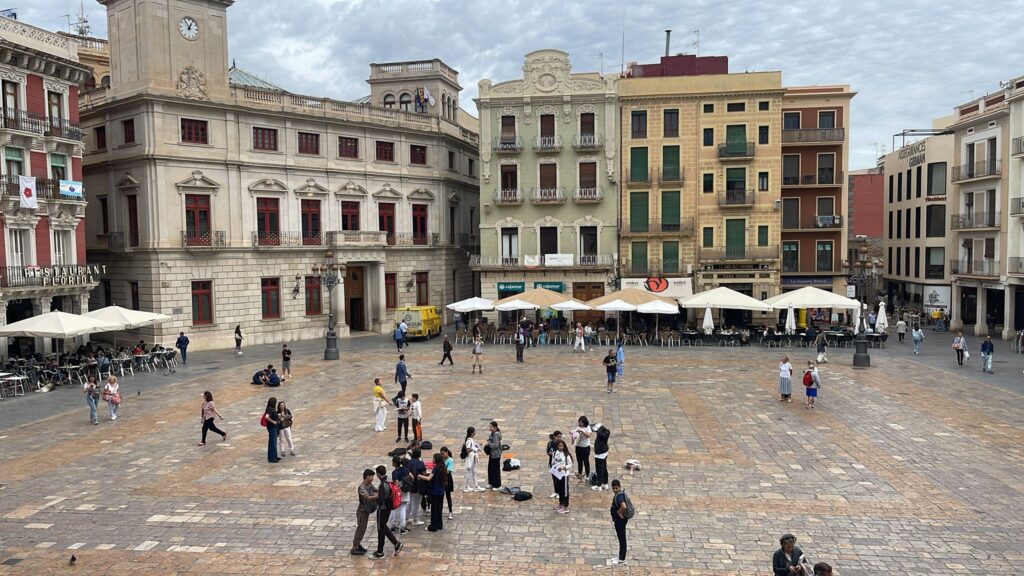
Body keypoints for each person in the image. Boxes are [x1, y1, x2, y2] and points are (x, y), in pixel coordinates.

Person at [372, 465, 403, 559]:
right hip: (388, 508)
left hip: (382, 509)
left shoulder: (382, 484)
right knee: (381, 528)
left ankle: (396, 543)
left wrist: (374, 497)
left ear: (378, 474)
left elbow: (380, 500)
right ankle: (380, 550)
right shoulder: (388, 482)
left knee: (382, 527)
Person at [418, 452, 448, 531]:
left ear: (436, 459)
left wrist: (420, 476)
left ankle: (433, 526)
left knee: (434, 509)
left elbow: (429, 478)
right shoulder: (443, 467)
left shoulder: (436, 468)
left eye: (433, 458)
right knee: (439, 508)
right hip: (441, 491)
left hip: (435, 491)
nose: (432, 459)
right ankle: (439, 524)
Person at [351, 468, 377, 555]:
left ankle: (358, 545)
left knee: (363, 528)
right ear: (367, 476)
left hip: (366, 510)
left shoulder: (370, 484)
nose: (373, 478)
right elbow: (368, 497)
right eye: (372, 476)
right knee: (360, 529)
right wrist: (378, 496)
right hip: (362, 511)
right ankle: (354, 547)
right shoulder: (362, 488)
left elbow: (375, 490)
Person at [388, 455, 411, 535]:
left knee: (394, 509)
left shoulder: (395, 472)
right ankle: (402, 527)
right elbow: (412, 477)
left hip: (397, 493)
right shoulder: (405, 469)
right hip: (405, 492)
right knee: (403, 509)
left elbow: (396, 484)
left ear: (394, 463)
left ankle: (393, 526)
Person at [610, 479, 630, 565]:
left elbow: (624, 506)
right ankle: (620, 556)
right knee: (620, 538)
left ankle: (622, 558)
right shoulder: (619, 494)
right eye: (613, 488)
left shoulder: (619, 496)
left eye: (616, 488)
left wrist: (618, 513)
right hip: (619, 520)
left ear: (619, 487)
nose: (615, 490)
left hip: (620, 521)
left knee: (622, 538)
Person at [405, 447, 427, 527]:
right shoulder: (421, 463)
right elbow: (424, 473)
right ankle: (414, 519)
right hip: (418, 486)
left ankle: (406, 518)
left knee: (409, 502)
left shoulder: (409, 463)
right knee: (416, 503)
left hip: (410, 486)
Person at [551, 438, 573, 514]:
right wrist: (554, 464)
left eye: (562, 446)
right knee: (560, 490)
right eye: (559, 446)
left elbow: (570, 464)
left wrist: (564, 467)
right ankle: (561, 503)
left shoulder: (566, 455)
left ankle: (566, 506)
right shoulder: (555, 453)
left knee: (565, 491)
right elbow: (553, 461)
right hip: (557, 474)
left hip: (564, 475)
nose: (560, 447)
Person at [462, 427, 484, 492]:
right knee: (468, 472)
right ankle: (466, 487)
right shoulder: (469, 440)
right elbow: (468, 450)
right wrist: (475, 448)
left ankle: (476, 486)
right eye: (474, 431)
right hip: (470, 458)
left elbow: (472, 446)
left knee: (474, 471)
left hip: (472, 458)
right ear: (472, 433)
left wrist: (477, 444)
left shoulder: (470, 440)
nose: (475, 433)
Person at [573, 416, 592, 482]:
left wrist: (582, 431)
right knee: (579, 461)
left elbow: (588, 435)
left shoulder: (588, 427)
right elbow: (575, 436)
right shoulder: (578, 427)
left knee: (586, 461)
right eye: (580, 422)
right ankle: (580, 473)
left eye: (582, 422)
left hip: (585, 447)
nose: (580, 424)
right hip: (578, 446)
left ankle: (587, 474)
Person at [592, 423, 610, 491]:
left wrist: (598, 431)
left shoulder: (601, 435)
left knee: (599, 470)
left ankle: (599, 485)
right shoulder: (606, 432)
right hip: (604, 453)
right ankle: (605, 483)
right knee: (604, 468)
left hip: (600, 454)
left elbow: (600, 434)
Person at [263, 397, 281, 463]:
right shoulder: (270, 409)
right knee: (272, 443)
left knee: (274, 442)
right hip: (272, 428)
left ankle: (275, 456)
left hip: (274, 428)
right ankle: (272, 458)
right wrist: (273, 422)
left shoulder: (271, 409)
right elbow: (267, 417)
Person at [486, 421, 502, 489]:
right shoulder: (492, 434)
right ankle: (491, 483)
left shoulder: (496, 435)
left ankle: (497, 485)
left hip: (496, 455)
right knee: (490, 469)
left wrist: (489, 443)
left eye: (491, 427)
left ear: (495, 427)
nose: (490, 428)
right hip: (492, 454)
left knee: (495, 470)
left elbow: (495, 445)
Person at [546, 430, 563, 498]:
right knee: (554, 479)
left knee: (559, 478)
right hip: (552, 463)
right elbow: (547, 452)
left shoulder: (561, 444)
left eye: (560, 437)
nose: (559, 438)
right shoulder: (550, 443)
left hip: (559, 463)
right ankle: (556, 492)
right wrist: (550, 453)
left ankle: (560, 492)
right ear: (554, 436)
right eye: (558, 437)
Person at [440, 446, 455, 519]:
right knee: (441, 496)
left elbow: (448, 471)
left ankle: (450, 512)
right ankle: (440, 510)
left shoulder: (450, 460)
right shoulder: (441, 460)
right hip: (441, 479)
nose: (442, 455)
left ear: (447, 452)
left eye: (443, 454)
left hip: (447, 479)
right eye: (441, 454)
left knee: (448, 496)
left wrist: (441, 469)